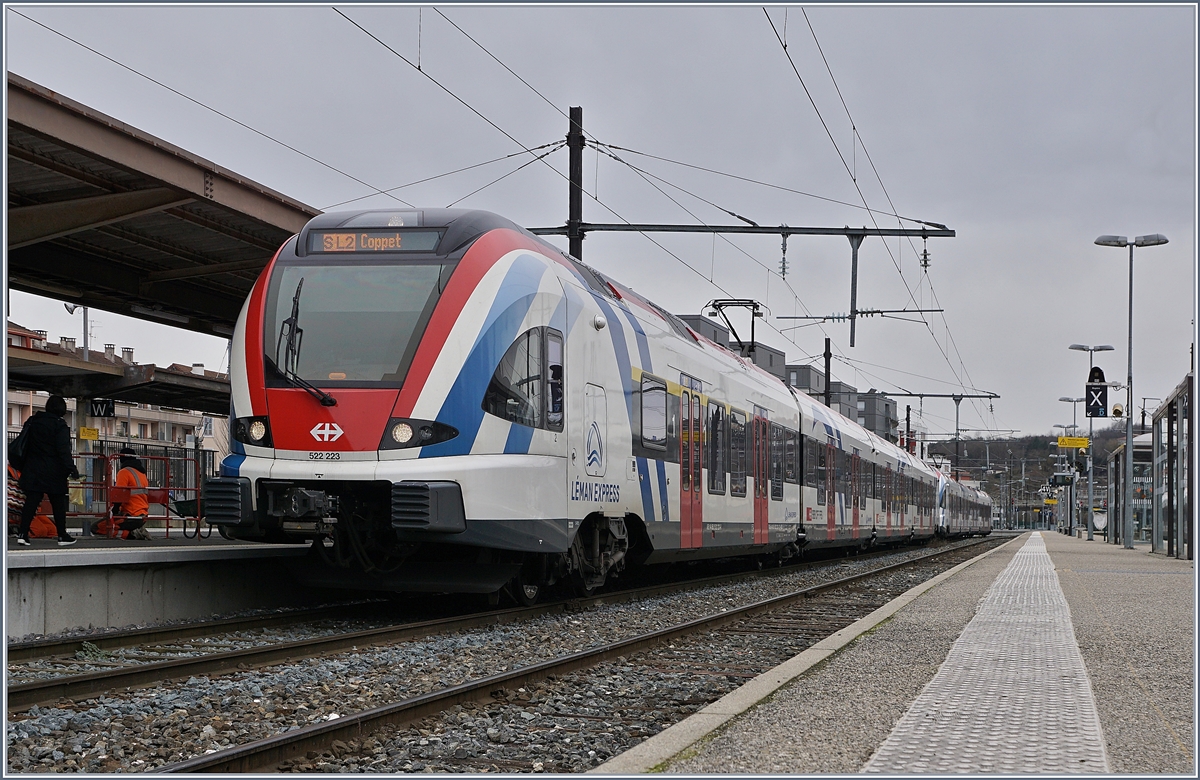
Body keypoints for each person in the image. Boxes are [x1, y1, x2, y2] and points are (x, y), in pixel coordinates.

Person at [14, 395, 79, 546]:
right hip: (53, 471)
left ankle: (23, 534)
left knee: (31, 502)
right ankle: (62, 535)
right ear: (62, 409)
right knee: (58, 503)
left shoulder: (33, 421)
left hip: (33, 469)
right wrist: (72, 468)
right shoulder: (59, 425)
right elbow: (63, 450)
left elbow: (25, 443)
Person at [94, 447, 152, 540]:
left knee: (97, 527)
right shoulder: (142, 473)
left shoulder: (124, 472)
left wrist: (114, 512)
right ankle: (136, 530)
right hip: (142, 515)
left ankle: (132, 534)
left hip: (130, 515)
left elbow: (119, 494)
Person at [7, 463, 57, 539]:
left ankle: (17, 530)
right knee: (40, 531)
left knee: (52, 531)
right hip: (19, 508)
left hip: (30, 508)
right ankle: (17, 531)